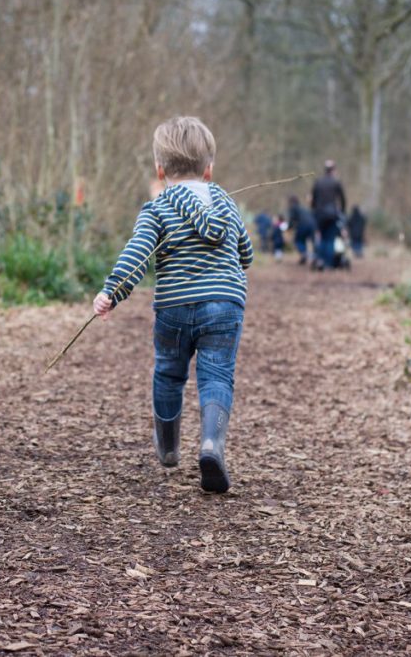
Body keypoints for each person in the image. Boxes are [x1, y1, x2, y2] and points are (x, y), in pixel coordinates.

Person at [92, 116, 253, 493]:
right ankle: (211, 444)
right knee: (216, 377)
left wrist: (112, 292)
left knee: (168, 372)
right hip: (225, 303)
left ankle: (168, 447)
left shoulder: (157, 208)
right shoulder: (226, 204)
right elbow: (246, 254)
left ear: (159, 168)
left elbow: (137, 254)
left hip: (175, 308)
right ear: (209, 168)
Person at [310, 160, 347, 270]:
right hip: (332, 215)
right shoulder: (336, 182)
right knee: (330, 239)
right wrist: (342, 212)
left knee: (321, 238)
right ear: (334, 170)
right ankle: (328, 264)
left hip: (320, 215)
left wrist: (314, 211)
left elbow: (313, 199)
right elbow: (343, 199)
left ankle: (320, 261)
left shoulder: (318, 182)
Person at [287, 195, 315, 265]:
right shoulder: (302, 208)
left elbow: (291, 219)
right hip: (312, 225)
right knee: (306, 241)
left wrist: (288, 229)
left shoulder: (293, 208)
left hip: (302, 225)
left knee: (298, 240)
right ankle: (310, 256)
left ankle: (304, 254)